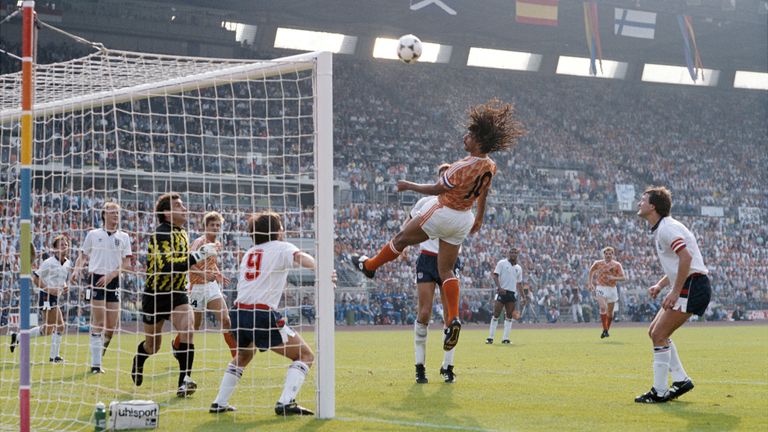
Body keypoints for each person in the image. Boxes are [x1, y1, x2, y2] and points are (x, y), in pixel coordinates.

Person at [351, 99, 525, 351]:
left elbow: (436, 188)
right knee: (446, 271)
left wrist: (409, 185)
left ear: (479, 141)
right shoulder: (490, 165)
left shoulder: (462, 166)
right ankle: (453, 318)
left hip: (443, 210)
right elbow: (484, 193)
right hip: (463, 219)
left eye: (470, 134)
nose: (465, 137)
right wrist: (479, 217)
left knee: (401, 239)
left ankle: (370, 265)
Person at [210, 211, 327, 415]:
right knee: (305, 355)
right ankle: (285, 402)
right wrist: (322, 269)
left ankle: (219, 402)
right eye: (280, 226)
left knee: (243, 356)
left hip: (238, 313)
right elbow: (300, 257)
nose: (283, 229)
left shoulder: (250, 252)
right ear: (276, 231)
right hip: (261, 314)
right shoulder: (282, 247)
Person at [131, 193, 218, 397]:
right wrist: (199, 255)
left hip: (178, 293)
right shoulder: (160, 234)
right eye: (178, 206)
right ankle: (140, 358)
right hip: (155, 295)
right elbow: (166, 266)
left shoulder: (183, 233)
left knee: (188, 329)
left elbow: (184, 263)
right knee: (153, 346)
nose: (184, 208)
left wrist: (201, 259)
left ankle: (184, 382)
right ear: (167, 213)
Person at [635, 186, 711, 403]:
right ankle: (680, 380)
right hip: (690, 283)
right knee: (654, 332)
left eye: (643, 199)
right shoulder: (663, 228)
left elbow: (686, 259)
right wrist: (660, 285)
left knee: (659, 334)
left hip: (692, 285)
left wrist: (675, 291)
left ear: (653, 206)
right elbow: (679, 262)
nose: (639, 203)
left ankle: (659, 392)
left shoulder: (667, 229)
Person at [410, 163, 463, 384]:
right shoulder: (425, 202)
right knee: (424, 313)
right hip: (427, 258)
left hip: (449, 260)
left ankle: (447, 366)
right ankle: (420, 366)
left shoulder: (461, 204)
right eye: (442, 178)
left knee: (451, 317)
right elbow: (408, 226)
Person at [70, 202, 133, 373]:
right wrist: (76, 270)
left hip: (113, 280)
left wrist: (111, 275)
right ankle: (96, 364)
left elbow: (127, 262)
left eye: (118, 213)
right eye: (112, 212)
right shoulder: (93, 234)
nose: (115, 215)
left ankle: (98, 354)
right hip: (96, 279)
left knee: (111, 327)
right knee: (98, 321)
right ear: (104, 215)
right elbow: (83, 256)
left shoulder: (124, 237)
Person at [176, 211, 236, 358]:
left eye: (218, 225)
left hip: (211, 286)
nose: (215, 227)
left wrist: (218, 273)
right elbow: (187, 265)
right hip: (196, 287)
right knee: (195, 326)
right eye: (212, 225)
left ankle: (236, 355)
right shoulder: (199, 242)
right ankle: (176, 345)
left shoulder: (216, 244)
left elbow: (210, 263)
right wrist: (204, 274)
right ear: (205, 226)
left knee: (226, 320)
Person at [486, 247, 522, 344]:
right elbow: (495, 275)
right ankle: (490, 337)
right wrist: (499, 287)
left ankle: (505, 338)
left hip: (511, 293)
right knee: (496, 314)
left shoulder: (518, 268)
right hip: (502, 292)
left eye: (515, 252)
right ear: (508, 254)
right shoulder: (502, 263)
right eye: (512, 252)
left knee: (509, 316)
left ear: (517, 254)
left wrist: (523, 297)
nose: (513, 254)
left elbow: (519, 283)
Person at [587, 246, 625, 338]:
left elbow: (623, 277)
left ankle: (606, 329)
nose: (608, 255)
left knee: (610, 313)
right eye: (606, 254)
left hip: (612, 288)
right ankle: (605, 329)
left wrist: (613, 278)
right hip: (600, 287)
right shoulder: (598, 263)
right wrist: (590, 283)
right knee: (603, 307)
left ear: (612, 254)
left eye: (610, 254)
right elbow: (591, 271)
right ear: (603, 254)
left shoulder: (617, 265)